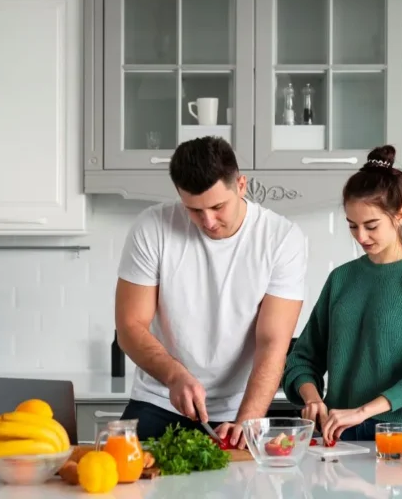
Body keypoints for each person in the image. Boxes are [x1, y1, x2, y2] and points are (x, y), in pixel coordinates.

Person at [115, 136, 308, 447]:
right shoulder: (152, 227)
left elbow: (273, 342)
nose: (208, 221)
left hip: (238, 408)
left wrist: (247, 420)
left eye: (218, 206)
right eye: (193, 209)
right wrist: (175, 375)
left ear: (241, 185)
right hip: (159, 398)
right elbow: (129, 327)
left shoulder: (282, 238)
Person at [282, 145, 402, 444]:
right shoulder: (342, 278)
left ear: (399, 215)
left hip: (396, 436)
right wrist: (312, 399)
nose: (361, 237)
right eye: (352, 226)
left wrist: (362, 412)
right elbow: (303, 357)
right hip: (337, 433)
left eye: (371, 226)